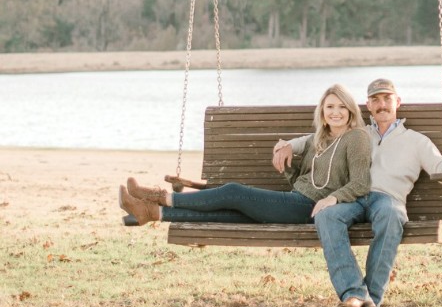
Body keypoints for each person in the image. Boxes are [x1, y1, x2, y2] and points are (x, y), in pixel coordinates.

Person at [272, 77, 442, 307]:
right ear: (368, 106)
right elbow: (312, 139)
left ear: (398, 102)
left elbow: (441, 163)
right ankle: (354, 294)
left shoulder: (416, 141)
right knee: (326, 216)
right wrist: (288, 146)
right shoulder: (356, 133)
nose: (382, 104)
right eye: (376, 100)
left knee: (391, 215)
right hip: (353, 198)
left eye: (387, 98)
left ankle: (368, 301)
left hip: (387, 199)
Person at [119, 84, 372, 236]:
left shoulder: (356, 137)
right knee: (231, 213)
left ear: (350, 110)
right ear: (323, 112)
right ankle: (152, 213)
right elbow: (300, 142)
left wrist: (331, 198)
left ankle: (162, 197)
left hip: (308, 206)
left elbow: (361, 182)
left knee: (234, 192)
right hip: (298, 202)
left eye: (342, 107)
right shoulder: (320, 137)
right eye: (330, 107)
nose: (336, 112)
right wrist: (284, 145)